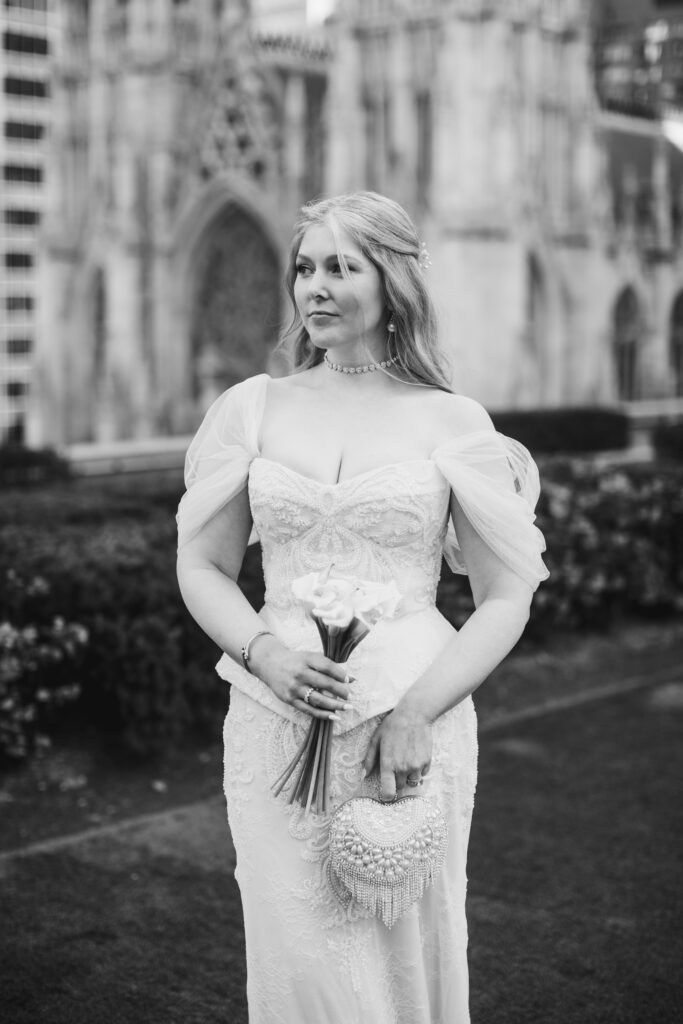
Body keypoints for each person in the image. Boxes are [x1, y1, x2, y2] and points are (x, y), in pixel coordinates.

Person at [176, 191, 548, 1024]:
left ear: (392, 283)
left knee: (404, 951)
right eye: (304, 266)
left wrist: (417, 711)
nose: (314, 286)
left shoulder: (450, 419)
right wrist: (262, 652)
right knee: (295, 960)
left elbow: (504, 594)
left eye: (341, 267)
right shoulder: (252, 408)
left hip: (408, 731)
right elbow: (200, 563)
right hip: (271, 721)